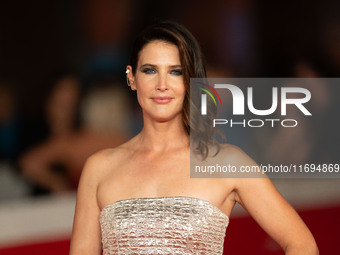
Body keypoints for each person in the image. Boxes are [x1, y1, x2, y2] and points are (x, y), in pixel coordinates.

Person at [70, 21, 318, 254]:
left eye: (175, 72)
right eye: (150, 71)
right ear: (132, 77)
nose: (162, 84)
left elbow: (303, 245)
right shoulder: (99, 168)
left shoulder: (228, 163)